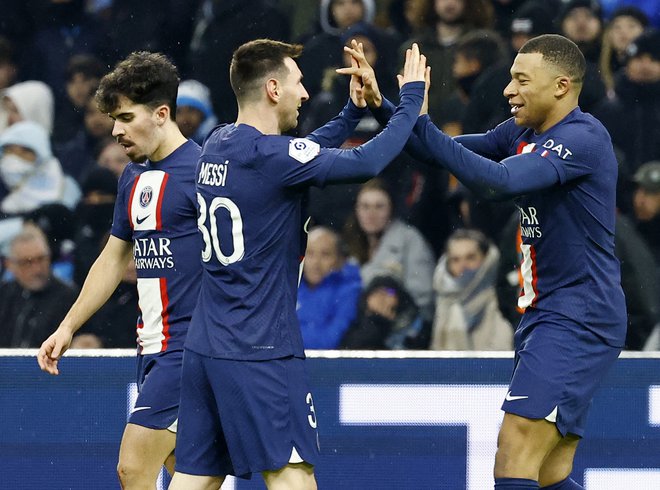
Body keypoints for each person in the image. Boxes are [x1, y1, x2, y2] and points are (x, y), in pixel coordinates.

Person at [343, 34, 626, 489]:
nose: (507, 91)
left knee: (513, 456)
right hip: (548, 313)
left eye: (520, 80)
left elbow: (495, 181)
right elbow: (431, 149)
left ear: (560, 86)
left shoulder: (583, 138)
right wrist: (387, 106)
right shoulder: (521, 133)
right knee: (549, 473)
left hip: (578, 314)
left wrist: (418, 113)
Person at [168, 39, 426, 489]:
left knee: (196, 482)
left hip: (205, 347)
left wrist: (351, 111)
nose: (305, 94)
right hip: (261, 348)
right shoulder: (269, 157)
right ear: (272, 88)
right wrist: (411, 98)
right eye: (298, 83)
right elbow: (369, 160)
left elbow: (300, 152)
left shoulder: (217, 143)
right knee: (293, 480)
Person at [37, 51, 203, 489]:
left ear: (162, 113)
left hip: (190, 348)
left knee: (133, 466)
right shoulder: (132, 176)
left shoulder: (206, 175)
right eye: (113, 118)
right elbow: (112, 258)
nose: (116, 130)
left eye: (127, 117)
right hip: (149, 349)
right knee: (189, 472)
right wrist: (68, 326)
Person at [343, 178, 436, 320]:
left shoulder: (410, 239)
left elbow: (423, 295)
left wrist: (391, 298)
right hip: (360, 325)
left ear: (391, 208)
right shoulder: (350, 242)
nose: (371, 214)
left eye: (379, 206)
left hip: (401, 328)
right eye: (365, 206)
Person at [430, 228, 513, 350]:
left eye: (470, 257)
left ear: (486, 259)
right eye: (455, 260)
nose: (463, 266)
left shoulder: (503, 301)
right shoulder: (443, 303)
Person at [0, 223, 78, 348]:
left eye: (41, 259)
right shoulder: (3, 295)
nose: (37, 269)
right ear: (10, 265)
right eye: (27, 262)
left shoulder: (70, 298)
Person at [296, 226, 362, 349]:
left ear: (339, 259)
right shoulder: (288, 287)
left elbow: (329, 341)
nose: (316, 262)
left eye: (325, 254)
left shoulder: (350, 290)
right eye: (310, 253)